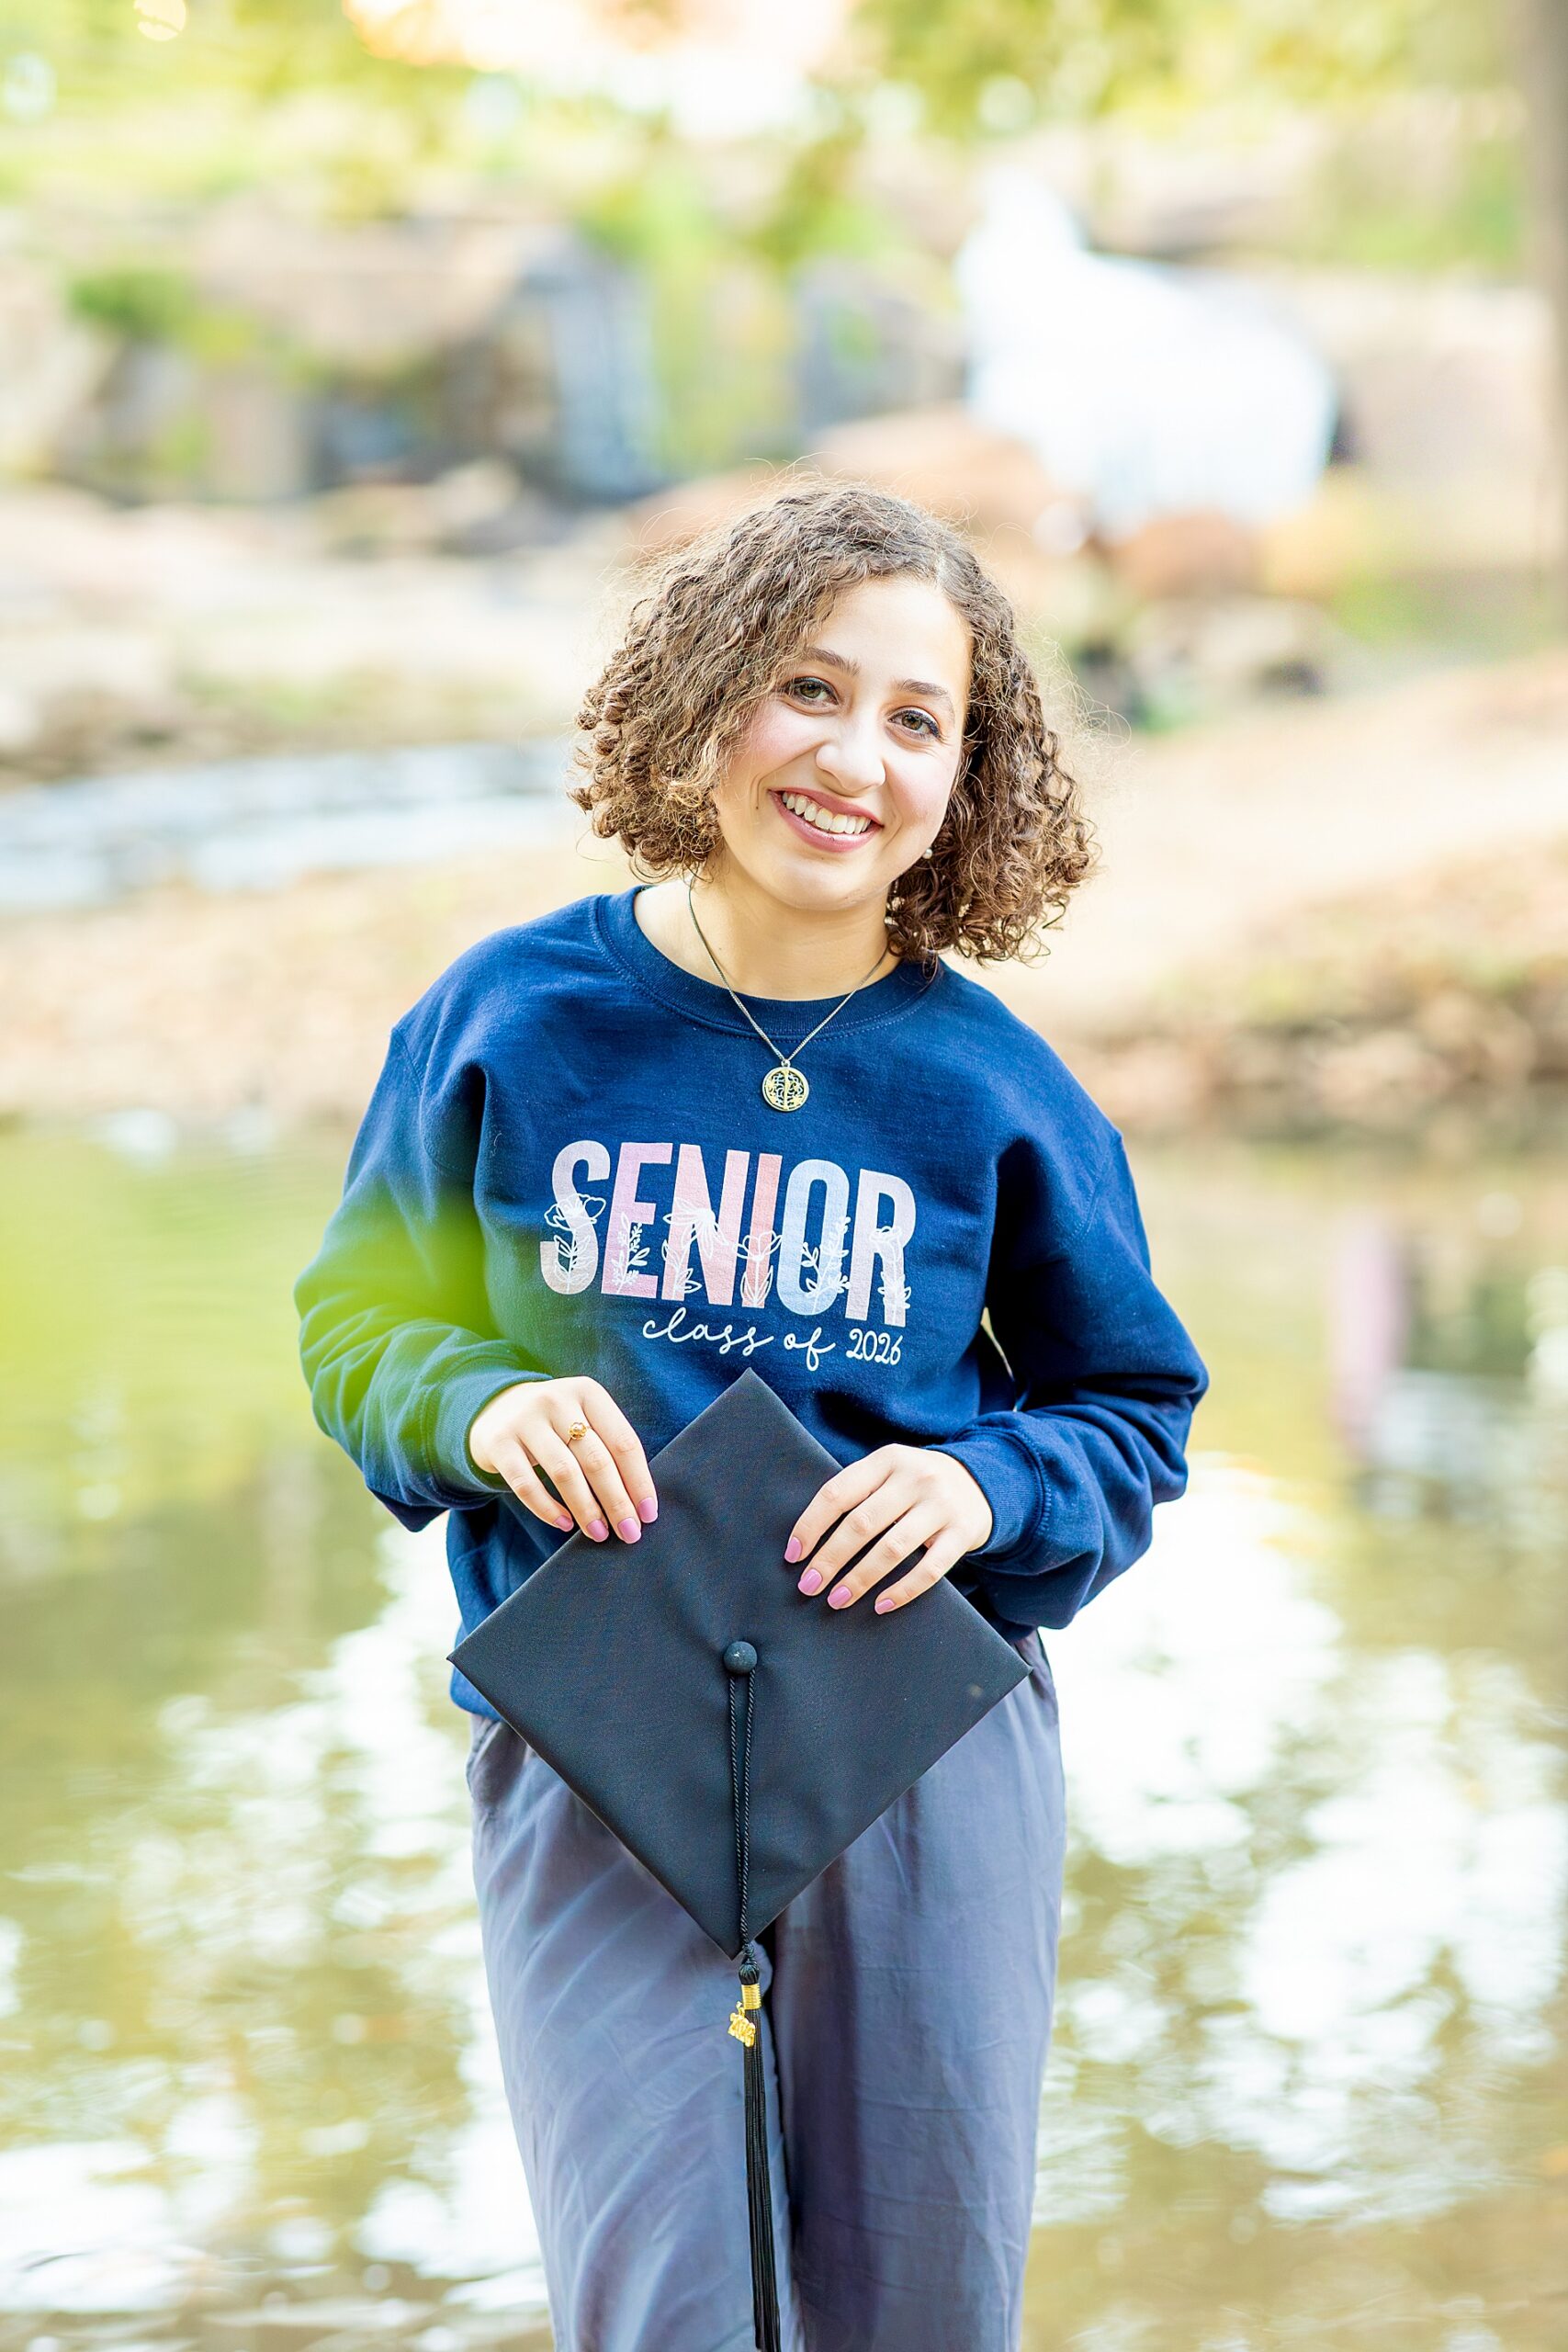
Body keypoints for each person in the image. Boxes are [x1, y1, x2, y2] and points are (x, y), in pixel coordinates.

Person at [293, 481, 1208, 2352]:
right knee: (660, 2303)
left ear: (971, 771)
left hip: (914, 1735)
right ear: (707, 698)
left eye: (914, 718)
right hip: (594, 1728)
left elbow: (1130, 1406)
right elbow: (360, 1322)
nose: (851, 756)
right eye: (807, 687)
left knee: (916, 2304)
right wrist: (479, 1405)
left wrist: (979, 1483)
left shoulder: (993, 1088)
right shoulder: (508, 1019)